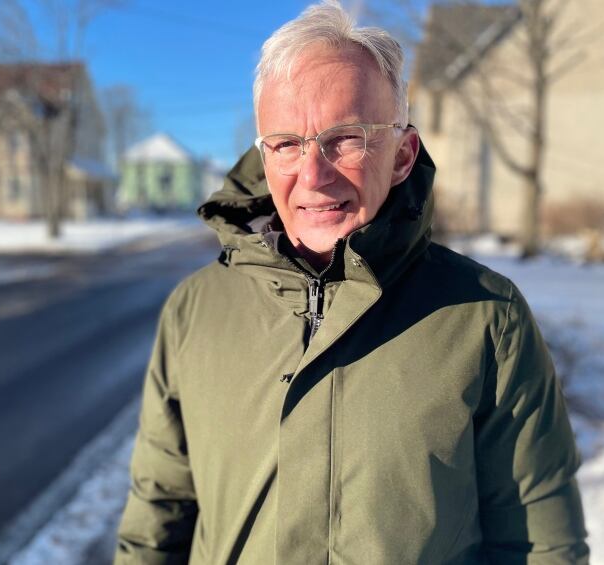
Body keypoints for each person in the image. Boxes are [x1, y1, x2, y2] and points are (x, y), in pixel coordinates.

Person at [115, 1, 588, 563]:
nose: (313, 175)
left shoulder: (485, 316)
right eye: (286, 143)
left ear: (403, 155)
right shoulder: (195, 311)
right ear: (263, 155)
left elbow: (538, 541)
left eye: (347, 138)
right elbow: (157, 517)